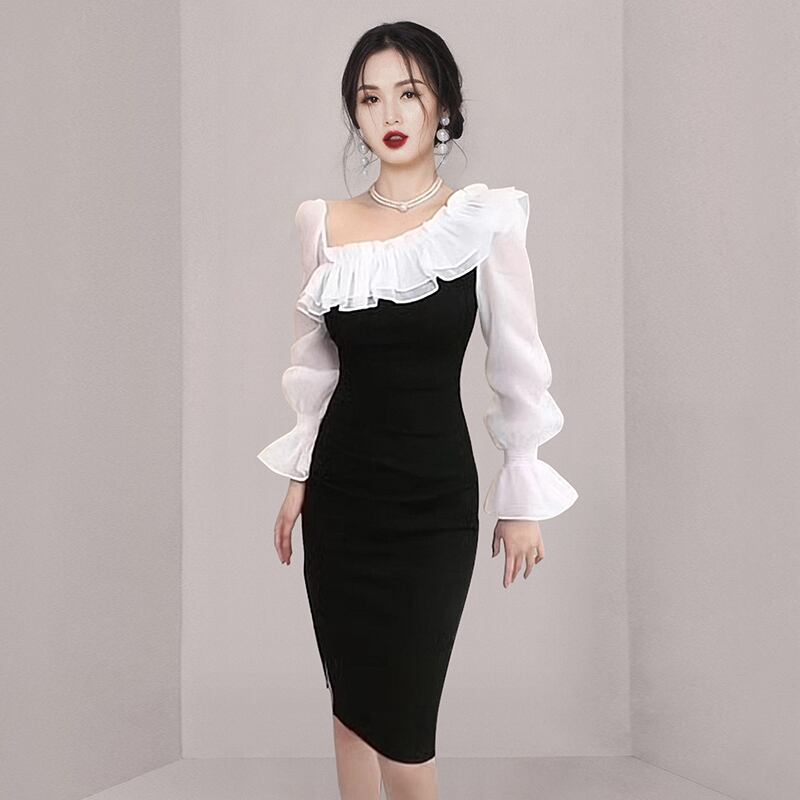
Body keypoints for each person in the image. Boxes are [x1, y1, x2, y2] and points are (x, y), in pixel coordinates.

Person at [257, 21, 578, 800]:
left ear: (444, 107)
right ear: (354, 114)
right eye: (370, 98)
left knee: (404, 727)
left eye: (409, 92)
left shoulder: (483, 219)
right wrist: (298, 476)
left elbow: (517, 364)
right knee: (353, 709)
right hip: (342, 498)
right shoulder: (321, 223)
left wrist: (523, 492)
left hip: (434, 501)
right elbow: (315, 366)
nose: (390, 113)